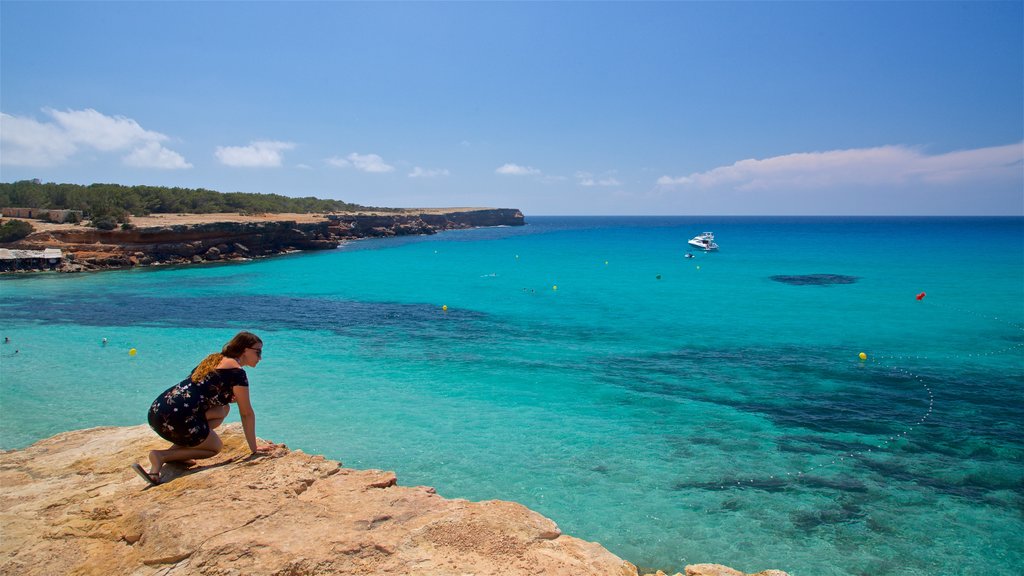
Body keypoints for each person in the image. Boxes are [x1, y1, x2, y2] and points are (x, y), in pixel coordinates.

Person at [132, 331, 274, 485]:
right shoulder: (237, 373)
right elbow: (246, 413)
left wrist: (226, 397)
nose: (260, 357)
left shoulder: (214, 359)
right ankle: (162, 456)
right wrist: (254, 448)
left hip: (157, 412)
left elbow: (200, 389)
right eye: (258, 352)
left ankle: (181, 453)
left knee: (223, 410)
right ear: (244, 350)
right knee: (215, 448)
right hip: (177, 421)